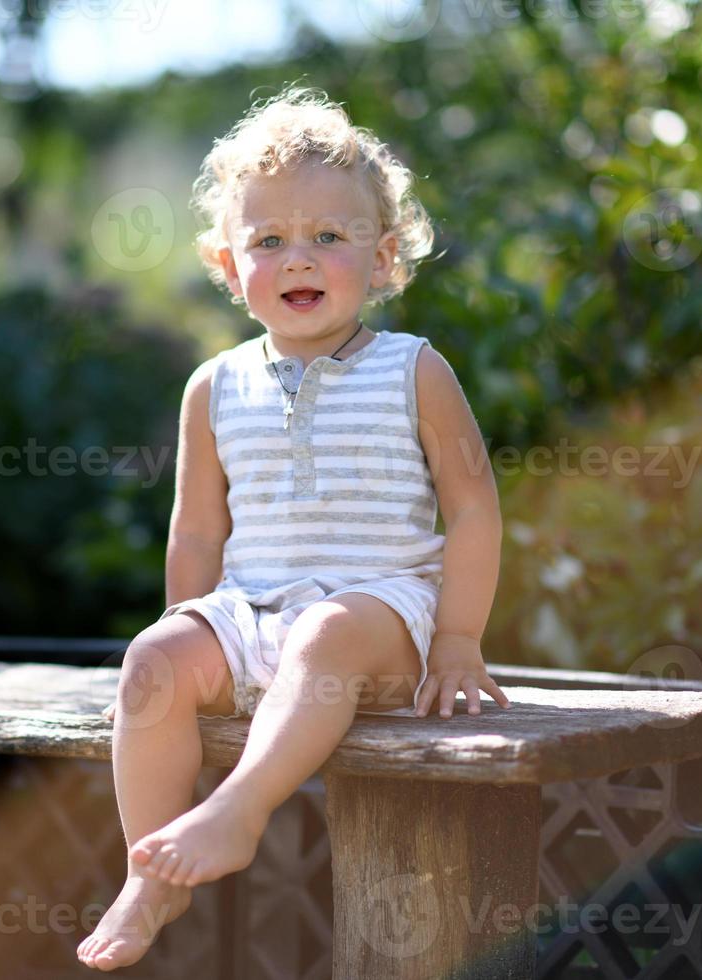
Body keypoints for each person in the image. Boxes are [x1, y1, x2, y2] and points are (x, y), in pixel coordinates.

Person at [77, 85, 511, 972]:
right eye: (268, 241)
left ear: (383, 256)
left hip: (381, 620)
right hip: (253, 610)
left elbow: (473, 510)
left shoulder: (412, 369)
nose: (297, 258)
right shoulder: (216, 386)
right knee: (149, 663)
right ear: (231, 270)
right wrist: (194, 641)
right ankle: (147, 873)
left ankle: (239, 809)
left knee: (325, 632)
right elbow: (196, 533)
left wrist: (460, 640)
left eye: (328, 237)